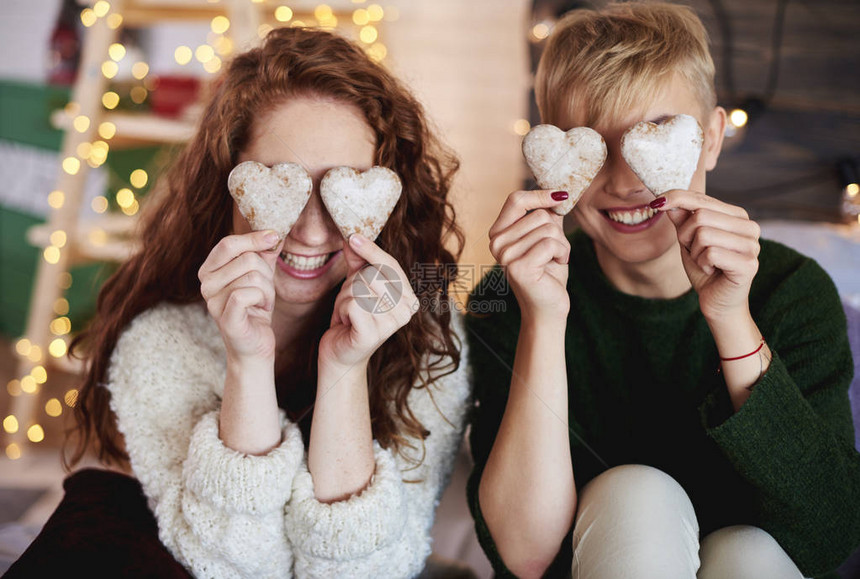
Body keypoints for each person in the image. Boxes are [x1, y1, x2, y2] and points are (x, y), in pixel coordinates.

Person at [9, 26, 471, 578]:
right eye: (283, 183)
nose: (311, 230)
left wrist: (346, 368)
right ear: (229, 185)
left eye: (341, 189)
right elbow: (232, 567)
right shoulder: (161, 342)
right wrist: (246, 362)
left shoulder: (427, 335)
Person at [466, 3, 860, 579]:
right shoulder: (507, 295)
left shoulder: (793, 292)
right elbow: (524, 556)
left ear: (713, 139)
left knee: (747, 552)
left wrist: (731, 319)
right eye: (594, 147)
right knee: (634, 494)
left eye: (650, 138)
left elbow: (829, 536)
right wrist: (543, 319)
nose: (626, 184)